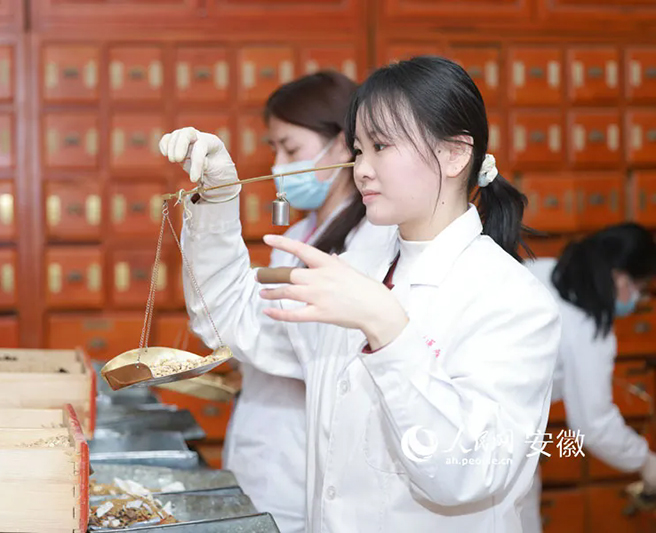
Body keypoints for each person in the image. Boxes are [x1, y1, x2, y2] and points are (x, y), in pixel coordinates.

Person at [161, 55, 561, 531]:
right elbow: (229, 319)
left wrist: (390, 331)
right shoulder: (355, 270)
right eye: (358, 149)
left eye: (381, 146)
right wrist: (219, 198)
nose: (362, 170)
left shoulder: (513, 299)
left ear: (455, 154)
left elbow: (469, 474)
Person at [222, 71, 392, 533]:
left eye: (290, 149)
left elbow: (312, 350)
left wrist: (245, 333)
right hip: (262, 442)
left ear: (340, 146)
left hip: (301, 459)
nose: (278, 165)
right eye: (273, 149)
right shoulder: (299, 233)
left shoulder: (371, 240)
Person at [522, 224, 656, 532]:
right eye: (638, 287)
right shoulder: (590, 330)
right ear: (619, 277)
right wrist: (645, 462)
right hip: (499, 444)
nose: (637, 298)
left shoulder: (539, 270)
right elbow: (595, 424)